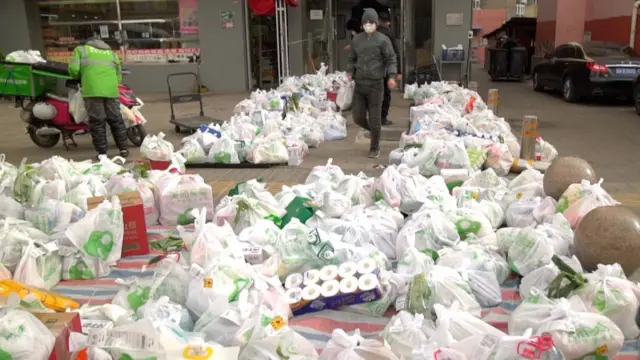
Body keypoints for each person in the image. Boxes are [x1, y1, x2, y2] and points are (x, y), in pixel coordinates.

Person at [347, 8, 398, 159]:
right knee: (357, 116)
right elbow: (351, 58)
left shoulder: (383, 40)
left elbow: (391, 59)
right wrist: (350, 72)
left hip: (376, 84)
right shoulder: (357, 40)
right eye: (365, 22)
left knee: (375, 116)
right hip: (360, 84)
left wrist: (391, 76)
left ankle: (374, 146)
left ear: (376, 23)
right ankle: (374, 131)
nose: (368, 24)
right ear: (362, 24)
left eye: (371, 22)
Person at [68, 37, 129, 158]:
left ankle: (102, 153)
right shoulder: (111, 54)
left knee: (97, 121)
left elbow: (74, 71)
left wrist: (83, 76)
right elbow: (119, 75)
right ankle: (123, 149)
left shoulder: (81, 50)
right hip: (111, 91)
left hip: (92, 90)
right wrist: (111, 84)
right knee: (116, 119)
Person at [377, 11, 401, 126]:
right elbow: (395, 53)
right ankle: (382, 118)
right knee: (386, 93)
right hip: (386, 69)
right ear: (388, 22)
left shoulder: (371, 33)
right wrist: (398, 71)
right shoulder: (389, 34)